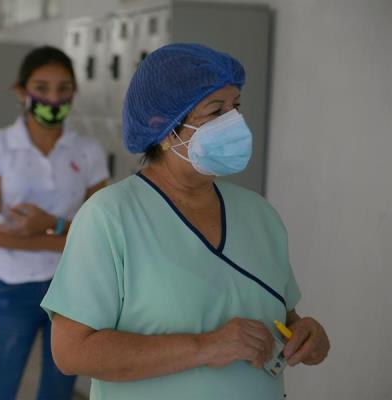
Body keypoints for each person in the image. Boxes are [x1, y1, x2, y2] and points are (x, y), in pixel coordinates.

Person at [41, 43, 331, 399]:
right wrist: (205, 347)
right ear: (163, 128)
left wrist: (307, 335)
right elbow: (71, 352)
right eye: (215, 111)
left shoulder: (259, 214)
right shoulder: (109, 217)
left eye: (235, 107)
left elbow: (284, 318)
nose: (234, 122)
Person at [0, 46, 109, 400]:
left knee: (58, 390)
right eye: (42, 88)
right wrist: (61, 234)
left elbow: (97, 236)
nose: (53, 98)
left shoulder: (88, 150)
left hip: (71, 290)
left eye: (64, 88)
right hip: (11, 286)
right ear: (21, 91)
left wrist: (49, 224)